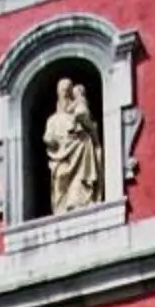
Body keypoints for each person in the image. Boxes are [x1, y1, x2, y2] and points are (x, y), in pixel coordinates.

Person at [43, 76, 102, 213]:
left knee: (80, 178)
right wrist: (49, 140)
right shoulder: (52, 120)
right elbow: (48, 136)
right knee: (60, 176)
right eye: (62, 91)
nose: (65, 94)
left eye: (67, 90)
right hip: (60, 155)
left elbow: (87, 123)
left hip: (80, 147)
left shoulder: (77, 111)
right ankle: (60, 208)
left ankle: (79, 202)